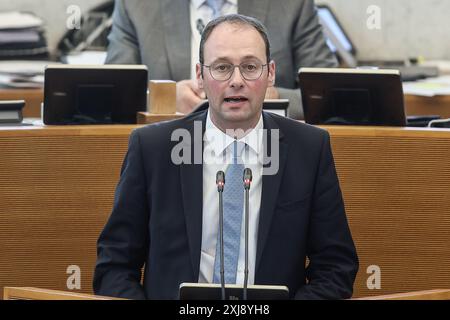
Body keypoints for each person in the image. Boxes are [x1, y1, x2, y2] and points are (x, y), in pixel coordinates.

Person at [93, 14, 358, 300]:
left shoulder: (309, 149)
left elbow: (335, 268)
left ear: (270, 74)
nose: (236, 81)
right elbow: (114, 267)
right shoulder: (153, 149)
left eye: (250, 67)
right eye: (221, 68)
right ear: (200, 75)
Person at [105, 0, 338, 119]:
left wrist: (275, 98)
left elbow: (332, 98)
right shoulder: (137, 5)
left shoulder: (291, 5)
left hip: (267, 150)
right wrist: (162, 101)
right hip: (171, 152)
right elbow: (111, 98)